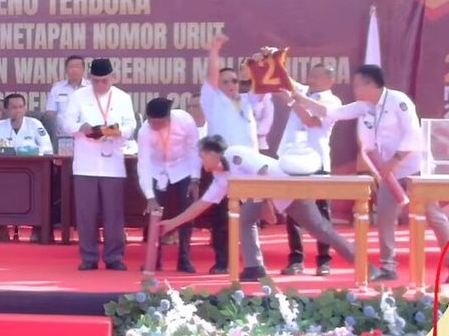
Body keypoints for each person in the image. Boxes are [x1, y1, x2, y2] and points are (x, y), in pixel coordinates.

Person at [293, 64, 449, 282]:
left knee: (435, 217)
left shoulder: (398, 101)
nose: (354, 89)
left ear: (370, 84)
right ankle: (388, 266)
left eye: (358, 84)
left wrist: (395, 162)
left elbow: (413, 135)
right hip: (387, 174)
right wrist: (298, 99)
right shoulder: (363, 106)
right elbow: (332, 113)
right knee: (385, 218)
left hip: (413, 168)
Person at [159, 136, 376, 282]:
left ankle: (366, 266)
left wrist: (268, 205)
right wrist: (172, 223)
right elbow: (201, 205)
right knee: (244, 220)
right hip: (262, 196)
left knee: (321, 230)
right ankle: (254, 268)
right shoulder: (219, 178)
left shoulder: (235, 153)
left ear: (214, 153)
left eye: (202, 155)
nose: (200, 160)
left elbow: (262, 170)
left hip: (288, 190)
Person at [62, 58, 137, 270]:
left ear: (113, 77)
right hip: (86, 162)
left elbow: (131, 125)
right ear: (90, 79)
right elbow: (66, 123)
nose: (100, 85)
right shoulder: (78, 96)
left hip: (112, 162)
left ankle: (114, 257)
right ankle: (89, 257)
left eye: (104, 81)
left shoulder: (123, 97)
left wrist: (115, 130)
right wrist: (82, 127)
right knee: (86, 213)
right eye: (96, 81)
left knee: (113, 214)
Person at [274, 63, 341, 276]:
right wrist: (273, 59)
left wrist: (292, 103)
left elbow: (312, 122)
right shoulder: (302, 92)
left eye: (317, 77)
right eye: (310, 76)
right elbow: (285, 79)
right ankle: (296, 259)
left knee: (321, 214)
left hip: (317, 162)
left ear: (330, 81)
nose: (311, 80)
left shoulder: (332, 101)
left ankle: (324, 260)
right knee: (294, 212)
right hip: (293, 161)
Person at [200, 34, 259, 274]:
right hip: (225, 168)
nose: (231, 84)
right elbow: (212, 75)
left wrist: (259, 63)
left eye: (234, 80)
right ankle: (222, 260)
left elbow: (262, 81)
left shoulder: (247, 101)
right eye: (225, 81)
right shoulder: (212, 100)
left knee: (250, 217)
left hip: (250, 168)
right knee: (223, 218)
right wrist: (214, 50)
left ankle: (252, 262)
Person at [136, 97, 201, 273]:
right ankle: (154, 259)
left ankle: (184, 260)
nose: (155, 127)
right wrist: (149, 197)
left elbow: (193, 150)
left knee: (187, 214)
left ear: (169, 117)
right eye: (152, 123)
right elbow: (144, 164)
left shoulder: (185, 120)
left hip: (182, 168)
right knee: (153, 216)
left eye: (159, 123)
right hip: (157, 171)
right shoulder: (144, 132)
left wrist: (195, 179)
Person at [0, 93, 54, 242]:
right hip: (5, 173)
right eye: (14, 107)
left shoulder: (35, 124)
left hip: (33, 173)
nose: (18, 110)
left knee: (41, 186)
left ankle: (38, 229)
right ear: (6, 110)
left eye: (21, 107)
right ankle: (1, 229)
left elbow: (48, 149)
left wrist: (29, 152)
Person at [45, 55, 89, 136]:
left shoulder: (90, 88)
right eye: (71, 67)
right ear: (66, 70)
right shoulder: (57, 89)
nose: (74, 70)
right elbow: (50, 113)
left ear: (83, 70)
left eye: (78, 67)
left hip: (86, 135)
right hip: (63, 135)